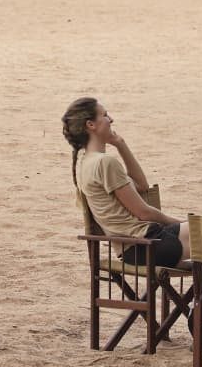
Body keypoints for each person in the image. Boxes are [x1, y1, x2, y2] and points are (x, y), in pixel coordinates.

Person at [61, 98, 188, 267]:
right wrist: (184, 223)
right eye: (105, 115)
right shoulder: (104, 163)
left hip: (134, 249)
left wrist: (121, 144)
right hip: (150, 245)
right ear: (91, 125)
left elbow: (142, 186)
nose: (111, 119)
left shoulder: (86, 163)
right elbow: (145, 213)